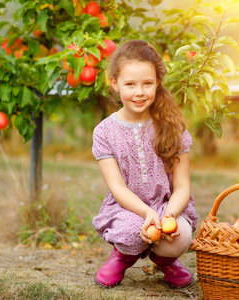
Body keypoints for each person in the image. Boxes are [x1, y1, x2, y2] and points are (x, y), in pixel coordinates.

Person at [91, 39, 198, 289]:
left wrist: (169, 213)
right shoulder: (104, 132)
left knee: (179, 236)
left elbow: (182, 186)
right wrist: (146, 214)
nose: (139, 92)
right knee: (131, 232)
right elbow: (117, 188)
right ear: (114, 83)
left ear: (157, 83)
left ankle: (164, 259)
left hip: (165, 205)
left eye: (147, 84)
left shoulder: (172, 127)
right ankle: (122, 257)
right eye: (130, 84)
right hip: (126, 208)